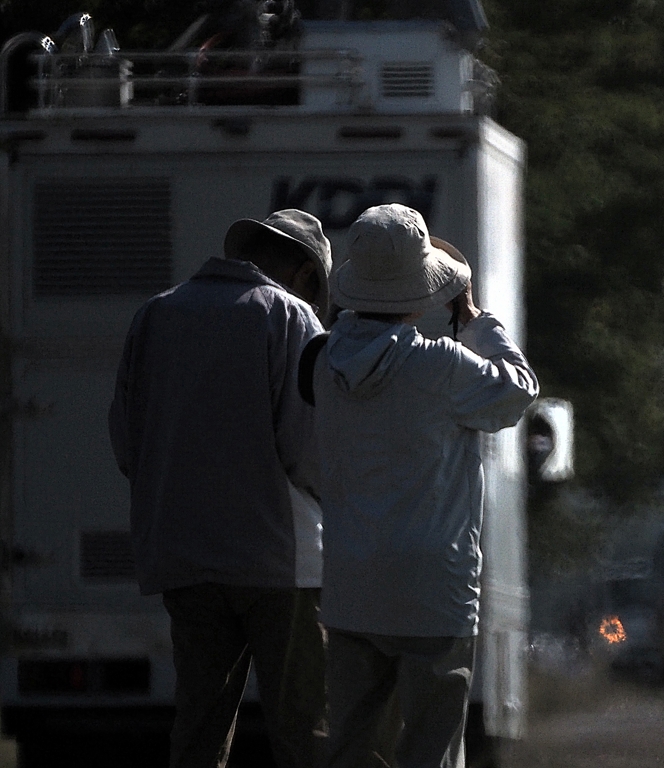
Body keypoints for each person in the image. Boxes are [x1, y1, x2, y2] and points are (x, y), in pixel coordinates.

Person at [308, 203, 539, 768]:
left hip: (350, 578)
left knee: (349, 744)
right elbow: (520, 390)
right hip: (433, 588)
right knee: (431, 747)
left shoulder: (319, 362)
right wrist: (478, 321)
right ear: (420, 288)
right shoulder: (442, 365)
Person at [108, 209, 332, 768]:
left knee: (200, 727)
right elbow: (305, 450)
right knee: (304, 727)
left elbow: (125, 441)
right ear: (305, 271)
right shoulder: (288, 315)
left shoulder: (155, 314)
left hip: (184, 555)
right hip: (279, 563)